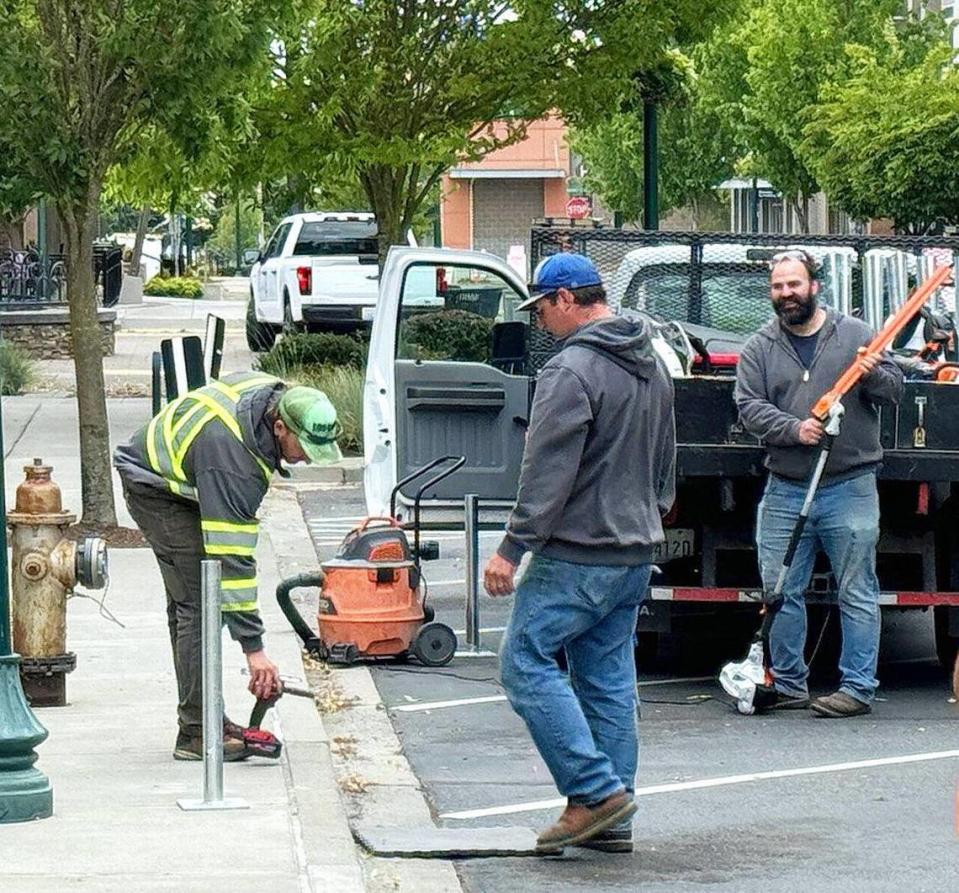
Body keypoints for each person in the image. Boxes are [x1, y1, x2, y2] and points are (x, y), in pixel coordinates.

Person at [483, 253, 676, 853]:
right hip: (635, 549)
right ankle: (612, 820)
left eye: (540, 307)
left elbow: (546, 470)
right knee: (607, 679)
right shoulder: (652, 362)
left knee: (523, 661)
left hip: (579, 551)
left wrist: (512, 548)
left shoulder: (572, 370)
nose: (539, 321)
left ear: (566, 298)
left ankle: (595, 794)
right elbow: (667, 461)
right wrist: (648, 513)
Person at [114, 372, 342, 760]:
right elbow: (231, 559)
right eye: (303, 447)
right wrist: (254, 650)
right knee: (200, 605)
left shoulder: (273, 398)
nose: (305, 458)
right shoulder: (234, 459)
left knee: (194, 604)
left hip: (188, 473)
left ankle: (205, 716)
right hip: (156, 488)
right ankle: (197, 732)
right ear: (280, 426)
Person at [734, 249, 903, 718]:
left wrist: (875, 373)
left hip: (849, 484)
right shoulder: (759, 348)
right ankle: (788, 682)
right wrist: (795, 429)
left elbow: (893, 392)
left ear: (814, 286)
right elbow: (748, 406)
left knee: (856, 588)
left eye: (794, 284)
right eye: (777, 287)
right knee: (780, 588)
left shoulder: (856, 335)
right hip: (786, 485)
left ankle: (858, 687)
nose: (786, 294)